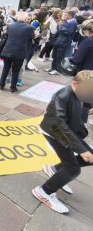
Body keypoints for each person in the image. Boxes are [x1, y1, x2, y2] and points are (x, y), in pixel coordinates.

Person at [32, 71, 93, 214]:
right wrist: (81, 149)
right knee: (73, 169)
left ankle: (55, 170)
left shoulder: (81, 92)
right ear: (75, 83)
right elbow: (60, 124)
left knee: (90, 157)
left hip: (69, 131)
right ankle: (44, 192)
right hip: (56, 133)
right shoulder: (62, 95)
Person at [0, 12, 34, 92]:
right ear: (25, 19)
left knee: (6, 68)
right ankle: (13, 87)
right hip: (19, 52)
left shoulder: (10, 26)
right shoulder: (29, 28)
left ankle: (1, 84)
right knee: (16, 70)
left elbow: (7, 35)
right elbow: (31, 38)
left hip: (8, 50)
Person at [46, 10, 78, 76]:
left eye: (65, 15)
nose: (64, 16)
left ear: (70, 15)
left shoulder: (73, 23)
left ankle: (57, 70)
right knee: (54, 56)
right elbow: (59, 30)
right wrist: (59, 26)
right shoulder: (66, 21)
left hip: (63, 42)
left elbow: (70, 33)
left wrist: (61, 27)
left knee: (59, 57)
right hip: (58, 41)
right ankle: (53, 68)